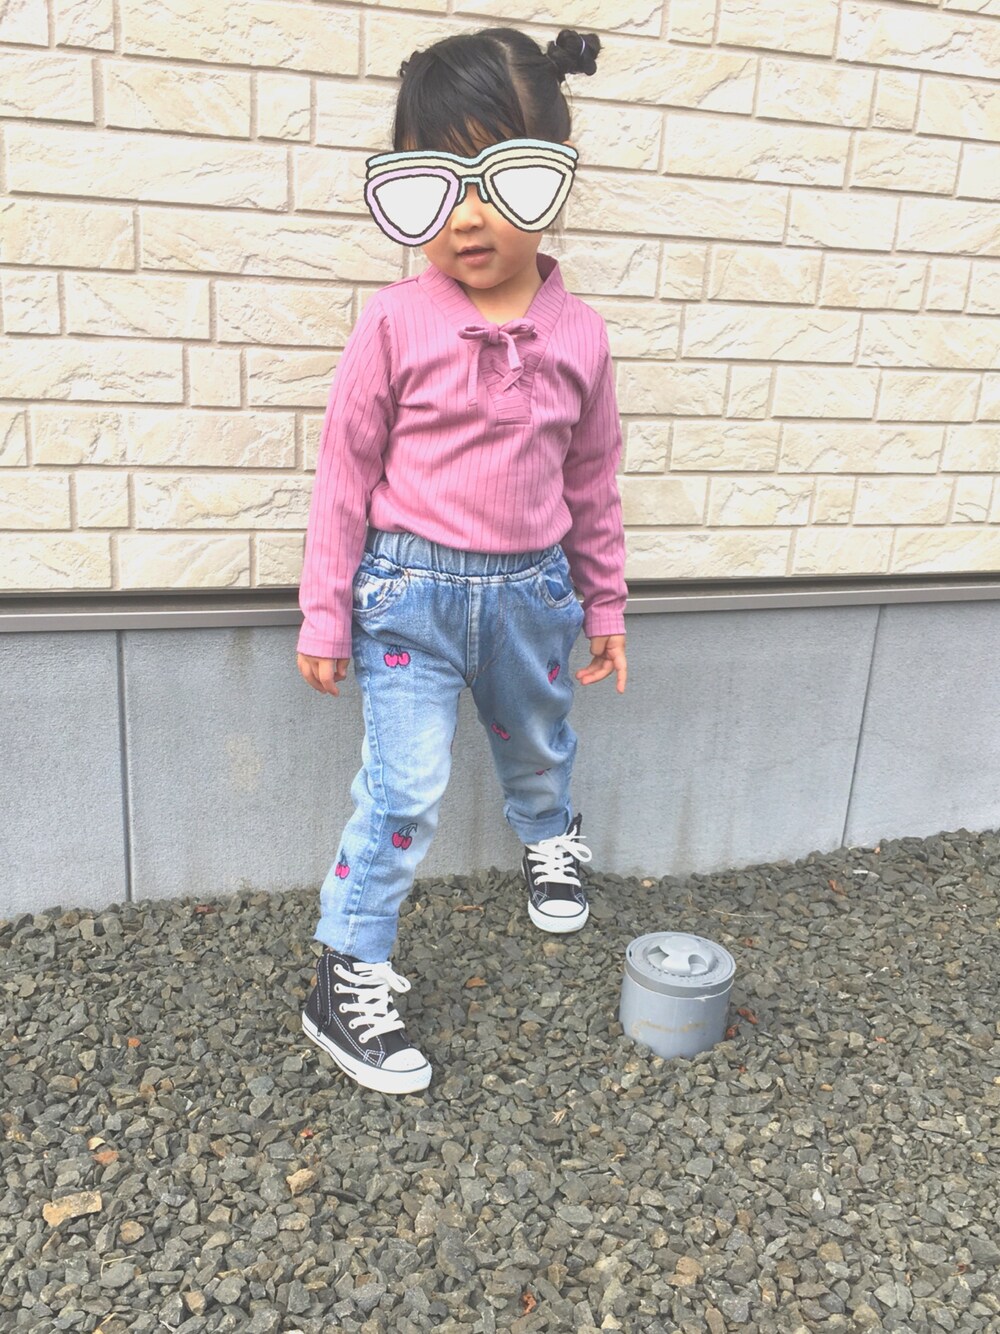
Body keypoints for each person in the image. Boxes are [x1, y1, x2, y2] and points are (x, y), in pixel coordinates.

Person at [296, 26, 628, 1095]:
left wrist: (606, 605)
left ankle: (548, 835)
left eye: (498, 178)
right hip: (410, 600)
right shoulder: (395, 323)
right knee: (402, 788)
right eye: (435, 183)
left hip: (534, 596)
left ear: (553, 176)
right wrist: (323, 611)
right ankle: (346, 969)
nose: (467, 216)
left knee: (538, 743)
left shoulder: (582, 335)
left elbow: (593, 481)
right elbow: (344, 473)